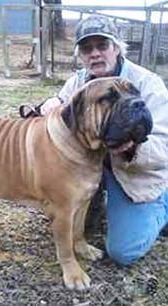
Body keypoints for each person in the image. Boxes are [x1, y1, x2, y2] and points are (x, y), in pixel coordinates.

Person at [40, 14, 168, 266]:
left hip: (135, 174)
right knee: (77, 224)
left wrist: (132, 148)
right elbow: (58, 122)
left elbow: (165, 148)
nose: (95, 54)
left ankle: (163, 204)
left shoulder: (147, 84)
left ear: (117, 47)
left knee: (123, 252)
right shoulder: (78, 82)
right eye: (87, 48)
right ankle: (105, 203)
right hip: (91, 171)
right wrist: (49, 104)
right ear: (80, 55)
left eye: (102, 45)